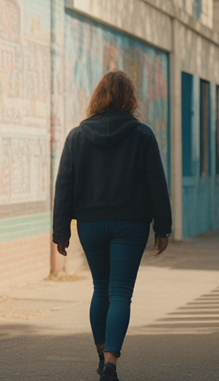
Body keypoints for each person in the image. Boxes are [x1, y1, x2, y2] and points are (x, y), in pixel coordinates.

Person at [52, 70, 172, 381]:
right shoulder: (142, 135)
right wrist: (163, 227)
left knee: (100, 288)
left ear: (98, 97)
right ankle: (110, 364)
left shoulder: (77, 136)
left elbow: (64, 184)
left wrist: (61, 231)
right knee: (120, 292)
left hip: (90, 225)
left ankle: (101, 353)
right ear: (130, 99)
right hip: (131, 225)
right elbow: (156, 184)